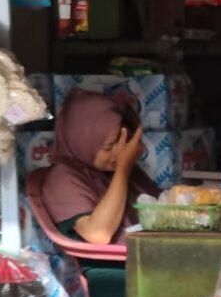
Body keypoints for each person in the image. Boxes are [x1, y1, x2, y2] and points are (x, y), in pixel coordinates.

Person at [39, 90, 153, 246]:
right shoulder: (63, 179)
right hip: (111, 263)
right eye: (108, 148)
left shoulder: (115, 172)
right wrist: (123, 170)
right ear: (82, 143)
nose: (119, 152)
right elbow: (98, 234)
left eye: (122, 143)